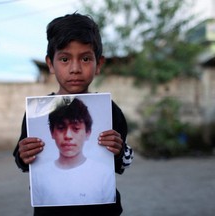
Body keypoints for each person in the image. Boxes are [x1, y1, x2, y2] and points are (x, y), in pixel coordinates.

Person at [13, 12, 134, 216]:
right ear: (50, 64)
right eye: (64, 59)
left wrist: (119, 150)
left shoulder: (109, 110)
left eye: (86, 58)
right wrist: (23, 155)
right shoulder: (38, 112)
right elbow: (22, 159)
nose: (75, 69)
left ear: (99, 64)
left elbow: (124, 161)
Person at [31, 97, 116, 206]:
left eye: (75, 129)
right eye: (61, 128)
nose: (68, 136)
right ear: (52, 132)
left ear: (88, 132)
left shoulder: (105, 174)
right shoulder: (38, 175)